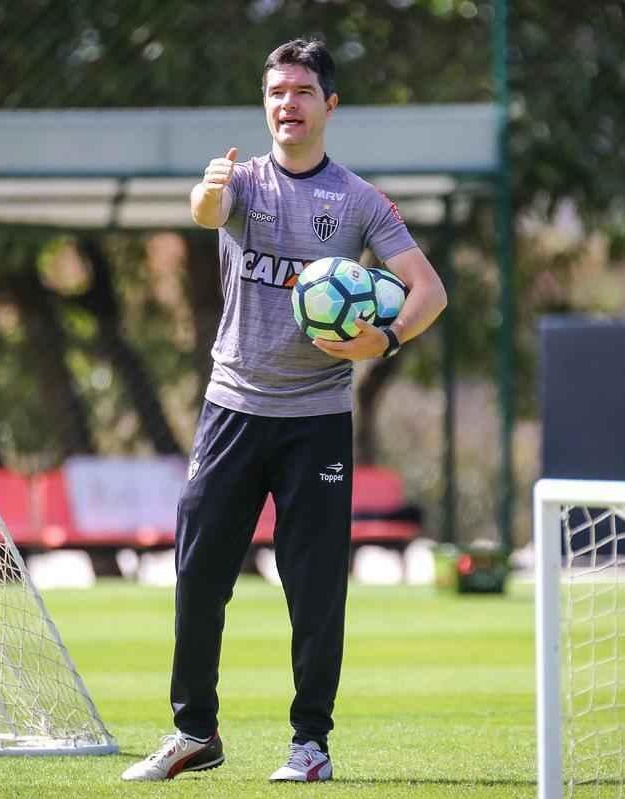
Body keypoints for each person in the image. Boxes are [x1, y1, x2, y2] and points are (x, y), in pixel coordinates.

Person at [121, 37, 447, 783]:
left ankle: (311, 745)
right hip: (232, 406)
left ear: (329, 105)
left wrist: (386, 337)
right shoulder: (243, 183)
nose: (287, 104)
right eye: (276, 91)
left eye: (302, 91)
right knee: (200, 572)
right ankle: (194, 733)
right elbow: (207, 210)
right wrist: (208, 188)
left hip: (317, 420)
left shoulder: (359, 201)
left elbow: (429, 290)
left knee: (313, 585)